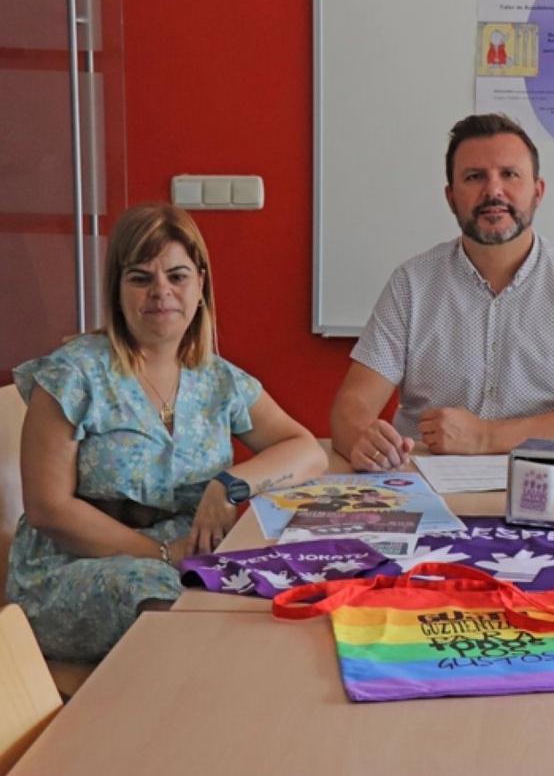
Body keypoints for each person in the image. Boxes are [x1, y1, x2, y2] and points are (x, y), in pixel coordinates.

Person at [10, 204, 327, 662]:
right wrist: (159, 553)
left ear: (200, 285)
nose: (161, 292)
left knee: (284, 589)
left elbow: (305, 450)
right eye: (140, 278)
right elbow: (48, 509)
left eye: (177, 276)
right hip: (75, 568)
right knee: (186, 606)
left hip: (184, 556)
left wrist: (229, 485)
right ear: (117, 291)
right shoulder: (72, 374)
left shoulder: (218, 379)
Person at [331, 113, 554, 469]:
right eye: (474, 177)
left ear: (537, 191)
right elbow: (350, 408)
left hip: (543, 484)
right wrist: (363, 438)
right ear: (450, 197)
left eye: (510, 174)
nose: (493, 191)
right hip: (426, 484)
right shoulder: (412, 283)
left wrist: (486, 437)